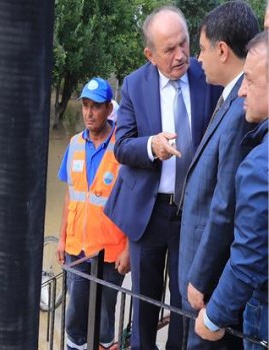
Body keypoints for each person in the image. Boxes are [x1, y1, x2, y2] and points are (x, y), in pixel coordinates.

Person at [103, 6, 222, 350]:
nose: (181, 55)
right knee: (144, 303)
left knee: (185, 301)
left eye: (184, 43)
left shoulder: (207, 76)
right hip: (149, 212)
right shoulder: (135, 85)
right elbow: (122, 146)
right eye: (169, 49)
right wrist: (152, 146)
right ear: (150, 54)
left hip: (194, 212)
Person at [178, 2, 260, 348]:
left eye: (201, 48)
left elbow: (225, 205)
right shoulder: (231, 98)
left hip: (210, 283)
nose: (198, 58)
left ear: (222, 50)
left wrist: (200, 277)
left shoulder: (244, 109)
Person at [195, 30, 268, 349]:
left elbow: (248, 256)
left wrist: (213, 316)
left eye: (250, 81)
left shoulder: (259, 165)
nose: (242, 92)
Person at [56, 77, 130, 350]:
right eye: (85, 105)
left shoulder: (122, 149)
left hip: (111, 254)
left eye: (95, 106)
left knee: (104, 318)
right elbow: (70, 196)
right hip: (78, 249)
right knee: (75, 316)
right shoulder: (74, 144)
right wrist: (62, 239)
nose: (88, 112)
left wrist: (130, 249)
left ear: (109, 110)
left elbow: (133, 203)